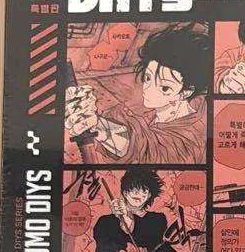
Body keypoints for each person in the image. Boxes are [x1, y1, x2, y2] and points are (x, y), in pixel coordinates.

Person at [65, 24, 211, 164]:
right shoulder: (169, 108)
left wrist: (97, 124)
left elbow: (146, 148)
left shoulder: (189, 143)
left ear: (186, 92)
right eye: (148, 78)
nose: (149, 89)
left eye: (164, 88)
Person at [79, 168, 202, 252]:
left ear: (149, 195)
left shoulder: (157, 219)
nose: (139, 194)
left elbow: (148, 240)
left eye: (145, 191)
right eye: (134, 189)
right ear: (125, 192)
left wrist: (127, 217)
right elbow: (106, 250)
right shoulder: (105, 221)